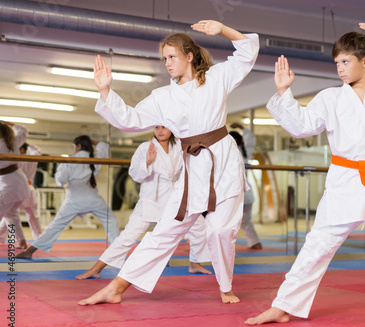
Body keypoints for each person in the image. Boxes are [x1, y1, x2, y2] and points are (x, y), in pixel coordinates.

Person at [245, 22, 365, 325]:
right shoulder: (330, 98)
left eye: (346, 61)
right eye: (337, 63)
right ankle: (283, 306)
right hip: (345, 181)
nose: (340, 69)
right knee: (317, 246)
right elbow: (301, 126)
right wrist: (284, 92)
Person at [78, 20, 259, 306]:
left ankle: (225, 286)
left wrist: (223, 29)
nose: (167, 63)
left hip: (223, 162)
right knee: (163, 232)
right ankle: (116, 287)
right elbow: (130, 119)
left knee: (220, 230)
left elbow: (248, 50)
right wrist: (105, 91)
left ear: (189, 56)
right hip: (193, 169)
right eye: (164, 59)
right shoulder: (163, 97)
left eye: (172, 56)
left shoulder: (217, 78)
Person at [76, 126, 211, 279]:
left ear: (172, 129)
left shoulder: (179, 146)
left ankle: (195, 262)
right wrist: (147, 162)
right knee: (129, 235)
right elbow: (134, 174)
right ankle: (97, 268)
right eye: (156, 127)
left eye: (164, 127)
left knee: (198, 225)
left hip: (174, 196)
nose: (160, 131)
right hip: (151, 198)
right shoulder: (145, 147)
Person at [16, 136, 120, 259]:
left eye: (74, 146)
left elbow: (60, 181)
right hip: (94, 200)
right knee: (111, 222)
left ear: (79, 146)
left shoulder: (70, 161)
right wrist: (90, 140)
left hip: (74, 201)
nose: (74, 149)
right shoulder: (96, 158)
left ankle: (29, 252)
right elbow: (105, 146)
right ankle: (117, 252)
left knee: (55, 226)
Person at [1, 143, 44, 249]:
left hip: (17, 188)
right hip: (29, 189)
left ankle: (2, 237)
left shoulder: (13, 159)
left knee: (9, 214)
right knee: (32, 216)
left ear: (21, 149)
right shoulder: (32, 158)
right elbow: (38, 151)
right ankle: (39, 238)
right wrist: (29, 144)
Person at [229, 122, 262, 249]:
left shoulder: (240, 153)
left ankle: (254, 244)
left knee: (230, 221)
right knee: (244, 221)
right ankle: (255, 243)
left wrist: (242, 127)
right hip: (243, 192)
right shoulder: (244, 153)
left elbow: (250, 140)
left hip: (239, 192)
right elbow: (251, 141)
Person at [0, 122, 31, 248]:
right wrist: (7, 123)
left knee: (9, 214)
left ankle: (21, 241)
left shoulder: (7, 142)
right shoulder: (13, 141)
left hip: (12, 184)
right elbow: (22, 129)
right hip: (17, 182)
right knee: (11, 215)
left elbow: (22, 129)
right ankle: (22, 241)